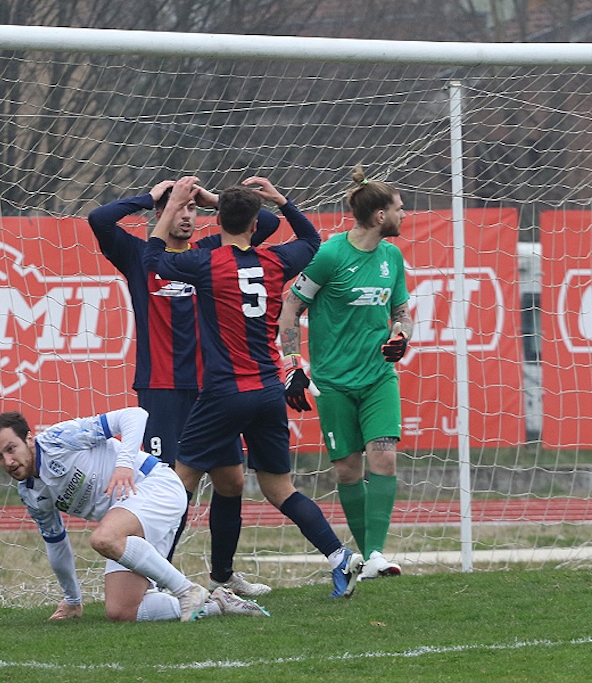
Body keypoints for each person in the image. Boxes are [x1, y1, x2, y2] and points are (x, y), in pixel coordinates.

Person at [144, 175, 363, 599]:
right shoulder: (276, 261)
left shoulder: (206, 263)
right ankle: (339, 557)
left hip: (225, 392)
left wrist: (174, 207)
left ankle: (156, 581)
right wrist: (283, 200)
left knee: (178, 481)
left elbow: (153, 255)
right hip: (268, 390)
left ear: (216, 218)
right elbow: (311, 238)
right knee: (279, 487)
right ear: (254, 224)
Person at [87, 181, 280, 597]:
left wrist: (215, 201)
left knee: (230, 481)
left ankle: (223, 577)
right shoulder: (139, 254)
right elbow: (99, 219)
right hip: (162, 390)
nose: (188, 216)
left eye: (194, 210)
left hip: (213, 391)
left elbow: (265, 222)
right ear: (164, 213)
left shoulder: (211, 251)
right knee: (165, 491)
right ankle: (162, 581)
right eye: (181, 209)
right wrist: (154, 198)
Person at [0, 406, 270, 622]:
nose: (8, 461)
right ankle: (217, 602)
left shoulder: (59, 439)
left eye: (11, 449)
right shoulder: (30, 492)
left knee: (104, 537)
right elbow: (56, 545)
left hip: (157, 486)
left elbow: (135, 415)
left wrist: (123, 465)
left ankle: (187, 591)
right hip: (130, 518)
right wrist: (72, 600)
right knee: (122, 611)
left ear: (29, 440)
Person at [278, 164, 412, 582]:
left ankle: (374, 554)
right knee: (347, 471)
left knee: (384, 457)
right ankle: (367, 555)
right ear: (379, 217)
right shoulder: (331, 255)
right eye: (399, 209)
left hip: (378, 377)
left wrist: (401, 334)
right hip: (334, 382)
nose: (403, 215)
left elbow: (400, 311)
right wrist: (292, 364)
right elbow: (290, 308)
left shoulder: (393, 257)